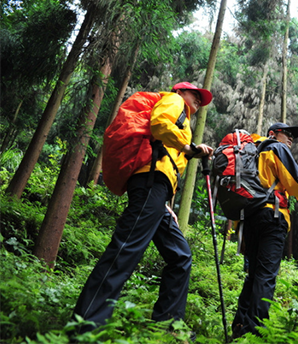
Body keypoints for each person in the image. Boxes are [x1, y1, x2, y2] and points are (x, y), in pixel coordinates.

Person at [72, 82, 214, 335]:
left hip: (157, 191)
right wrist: (188, 148)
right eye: (196, 95)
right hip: (151, 183)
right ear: (180, 91)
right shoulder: (174, 101)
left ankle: (169, 324)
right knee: (126, 247)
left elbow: (168, 157)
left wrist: (165, 203)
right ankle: (86, 326)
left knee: (180, 256)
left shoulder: (184, 118)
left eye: (201, 100)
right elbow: (159, 125)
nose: (199, 101)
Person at [231, 122, 298, 338]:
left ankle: (240, 327)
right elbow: (295, 185)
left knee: (253, 275)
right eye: (286, 134)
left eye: (292, 137)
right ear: (273, 134)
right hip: (272, 217)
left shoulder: (251, 150)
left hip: (249, 218)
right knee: (266, 275)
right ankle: (256, 332)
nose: (290, 139)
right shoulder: (275, 148)